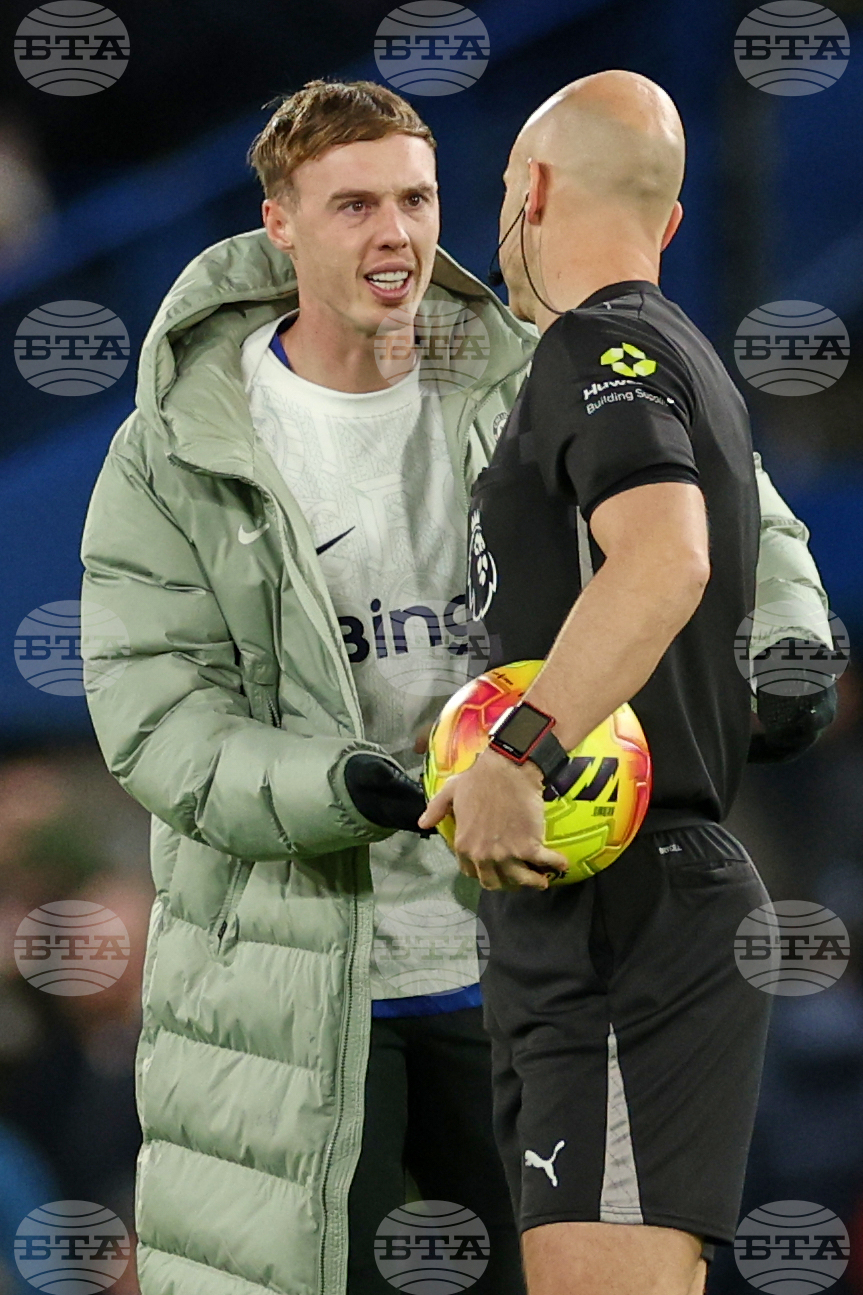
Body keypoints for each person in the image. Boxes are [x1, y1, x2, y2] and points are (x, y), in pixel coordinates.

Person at [80, 77, 831, 1295]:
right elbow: (157, 717)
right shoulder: (174, 447)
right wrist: (351, 785)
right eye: (353, 205)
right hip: (297, 992)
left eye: (418, 198)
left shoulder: (548, 364)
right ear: (278, 225)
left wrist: (786, 652)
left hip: (526, 945)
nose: (396, 234)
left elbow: (732, 513)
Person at [420, 71, 835, 1295]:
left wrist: (518, 752)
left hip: (626, 913)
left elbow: (664, 559)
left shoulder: (593, 345)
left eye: (500, 197)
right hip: (617, 912)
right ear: (669, 217)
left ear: (532, 191)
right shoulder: (690, 366)